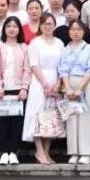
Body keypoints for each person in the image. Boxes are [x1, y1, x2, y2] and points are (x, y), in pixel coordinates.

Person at [23, 12, 65, 164]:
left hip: (56, 79)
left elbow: (63, 65)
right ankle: (39, 151)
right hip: (39, 82)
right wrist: (45, 84)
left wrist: (58, 84)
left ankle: (46, 152)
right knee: (38, 115)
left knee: (51, 118)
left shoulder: (59, 43)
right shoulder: (35, 43)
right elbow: (34, 65)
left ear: (54, 25)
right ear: (40, 25)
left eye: (50, 23)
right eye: (45, 23)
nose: (48, 26)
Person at [0, 16, 31, 166]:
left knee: (17, 122)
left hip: (18, 91)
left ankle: (14, 152)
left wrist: (24, 87)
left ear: (19, 29)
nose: (12, 29)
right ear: (4, 29)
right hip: (2, 91)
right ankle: (3, 152)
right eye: (9, 26)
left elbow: (27, 69)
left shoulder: (24, 48)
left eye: (15, 26)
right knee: (2, 122)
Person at [58, 17, 90, 164]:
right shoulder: (65, 49)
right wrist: (68, 88)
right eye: (73, 29)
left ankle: (87, 153)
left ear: (84, 32)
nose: (75, 32)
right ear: (69, 32)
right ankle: (74, 151)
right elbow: (62, 70)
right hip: (69, 85)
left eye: (78, 29)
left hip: (86, 84)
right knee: (71, 119)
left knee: (87, 118)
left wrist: (80, 89)